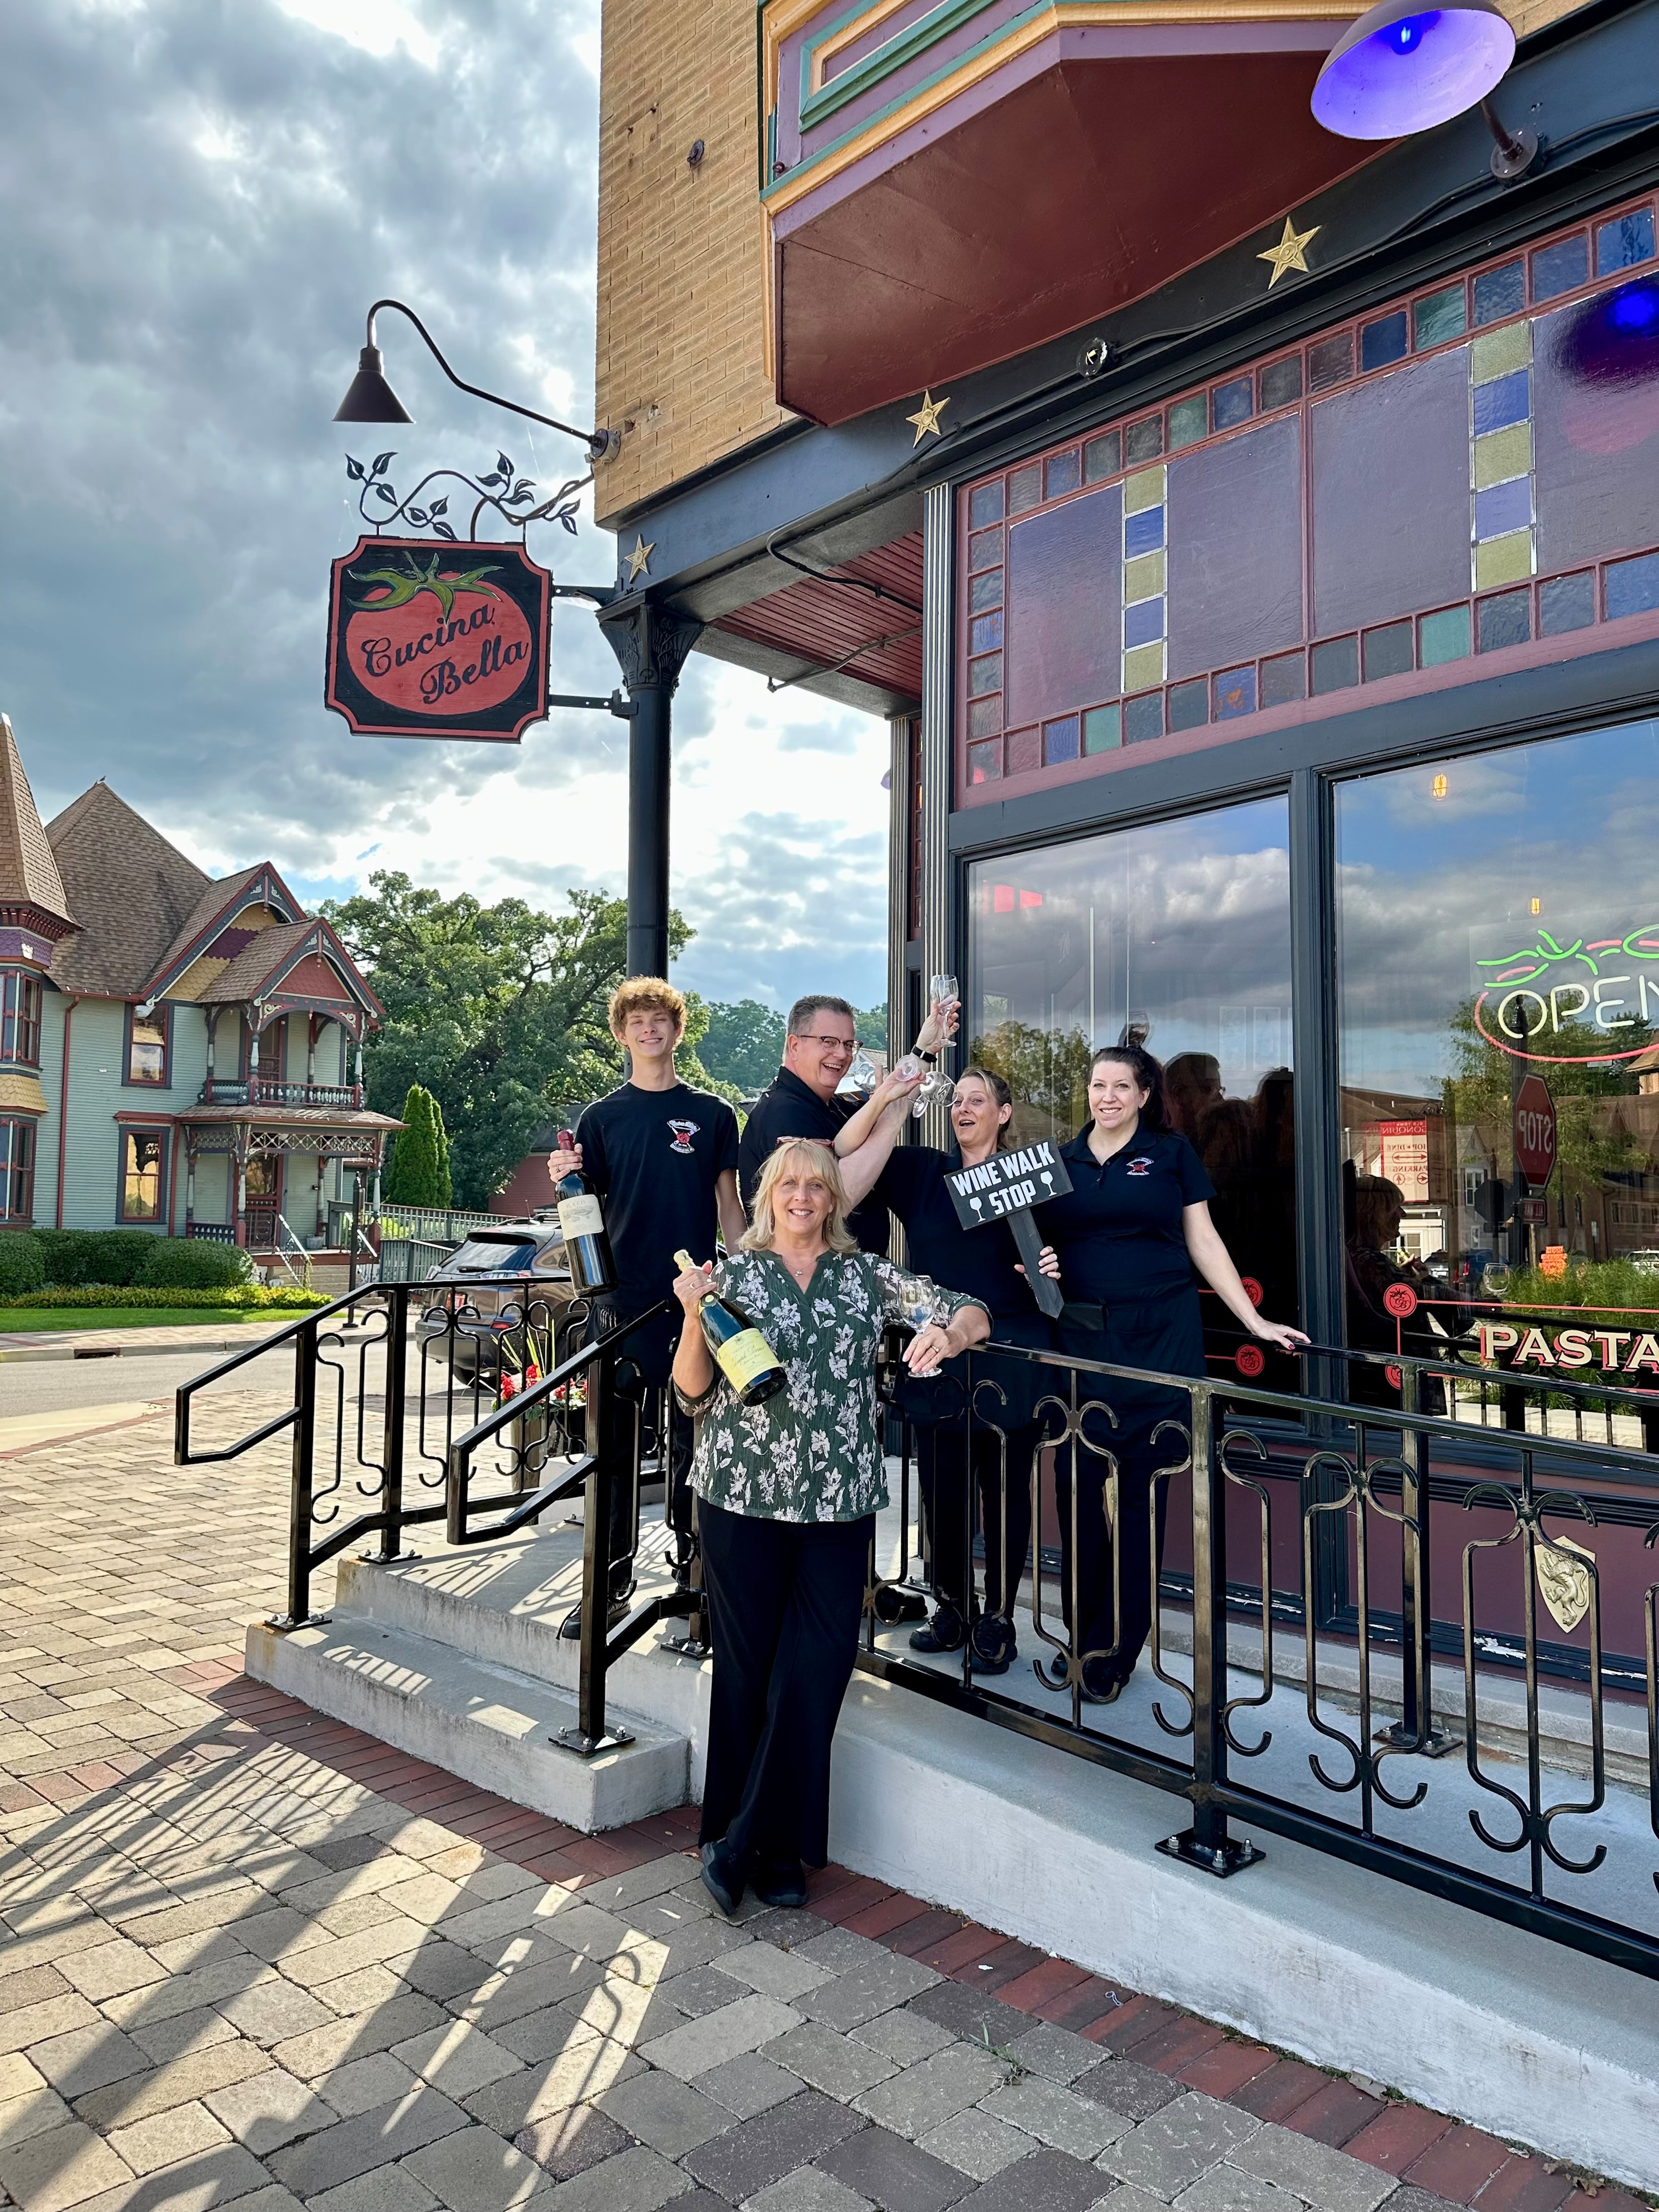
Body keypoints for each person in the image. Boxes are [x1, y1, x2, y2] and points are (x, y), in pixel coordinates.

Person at [671, 1138, 990, 1915]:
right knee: (748, 1674)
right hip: (739, 1498)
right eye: (790, 1184)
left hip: (838, 1504)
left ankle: (745, 1841)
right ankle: (769, 1851)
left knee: (818, 1669)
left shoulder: (864, 1275)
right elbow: (691, 1388)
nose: (804, 1196)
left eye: (818, 1184)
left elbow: (971, 1310)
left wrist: (946, 1336)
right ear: (767, 1195)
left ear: (834, 1199)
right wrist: (690, 1315)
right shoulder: (732, 1277)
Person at [1035, 1043, 1307, 1703]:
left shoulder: (1171, 1155)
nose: (1106, 1097)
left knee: (1138, 1497)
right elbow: (1027, 1236)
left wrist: (1253, 1322)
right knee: (1075, 1489)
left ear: (1145, 1095)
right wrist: (1034, 1265)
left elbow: (1203, 1240)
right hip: (1080, 1344)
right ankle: (1081, 1634)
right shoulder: (1057, 1161)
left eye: (1120, 1087)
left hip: (1158, 1343)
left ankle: (1118, 1648)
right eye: (1097, 1085)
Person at [832, 1063, 1050, 1673]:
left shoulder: (1028, 1176)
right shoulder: (924, 1172)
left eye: (978, 1100)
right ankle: (954, 1607)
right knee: (942, 1492)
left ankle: (999, 1618)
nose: (964, 1109)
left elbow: (1063, 1258)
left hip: (1009, 1352)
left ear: (1003, 1114)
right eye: (956, 1100)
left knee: (1005, 1493)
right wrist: (895, 1094)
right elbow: (847, 1148)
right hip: (934, 1350)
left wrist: (1056, 1266)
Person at [546, 978, 747, 1634]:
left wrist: (748, 1272)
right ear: (622, 1033)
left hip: (696, 1306)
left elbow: (728, 1207)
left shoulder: (713, 1114)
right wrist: (561, 1179)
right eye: (637, 1020)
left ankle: (698, 1587)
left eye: (659, 1020)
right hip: (622, 1307)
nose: (649, 1030)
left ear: (676, 1030)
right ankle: (606, 1587)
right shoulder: (600, 1119)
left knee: (699, 1451)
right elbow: (583, 1212)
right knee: (614, 1457)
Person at [738, 992, 954, 1254]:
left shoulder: (836, 1107)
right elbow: (838, 1195)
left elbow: (894, 1103)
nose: (842, 1054)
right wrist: (892, 1116)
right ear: (794, 1045)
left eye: (849, 1044)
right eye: (828, 1042)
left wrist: (925, 1050)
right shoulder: (783, 1112)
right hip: (811, 1288)